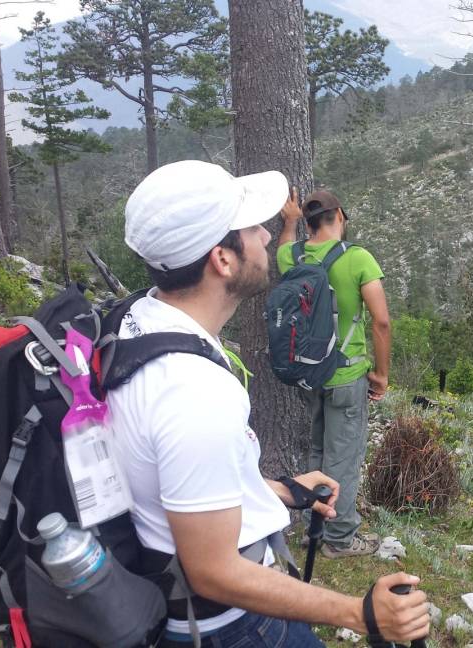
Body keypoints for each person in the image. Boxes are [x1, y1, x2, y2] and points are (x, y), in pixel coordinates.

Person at [109, 161, 428, 647]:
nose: (266, 236)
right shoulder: (193, 388)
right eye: (252, 227)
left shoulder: (136, 321)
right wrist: (360, 612)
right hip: (232, 624)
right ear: (223, 259)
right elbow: (214, 572)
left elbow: (169, 472)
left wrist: (281, 490)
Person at [277, 189, 390, 559]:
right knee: (344, 456)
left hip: (310, 374)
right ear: (339, 215)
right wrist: (382, 375)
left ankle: (315, 530)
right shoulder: (357, 259)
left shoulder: (291, 257)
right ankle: (340, 540)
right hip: (345, 374)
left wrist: (288, 223)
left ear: (308, 222)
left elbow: (282, 249)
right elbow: (381, 322)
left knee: (318, 449)